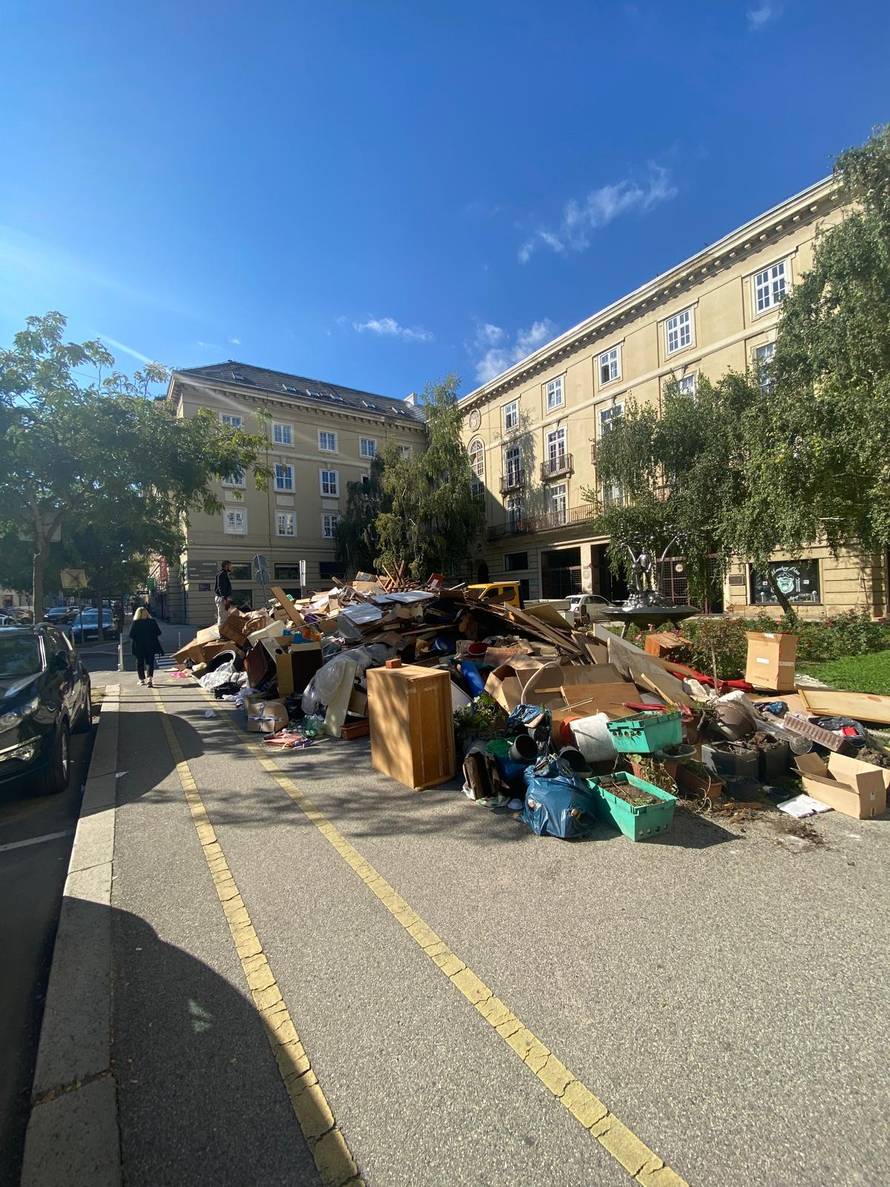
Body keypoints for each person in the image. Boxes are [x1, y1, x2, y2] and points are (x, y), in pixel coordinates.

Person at [129, 606, 163, 687]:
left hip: (138, 646)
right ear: (147, 613)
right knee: (150, 662)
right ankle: (150, 679)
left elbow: (131, 635)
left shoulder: (135, 623)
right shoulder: (152, 622)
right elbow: (159, 632)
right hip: (150, 645)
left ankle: (141, 680)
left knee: (140, 662)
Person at [215, 561, 233, 626]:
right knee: (223, 617)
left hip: (224, 598)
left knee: (225, 616)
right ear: (226, 566)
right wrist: (224, 598)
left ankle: (223, 633)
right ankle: (221, 634)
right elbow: (220, 587)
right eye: (230, 566)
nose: (231, 567)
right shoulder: (222, 574)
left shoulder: (224, 574)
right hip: (222, 598)